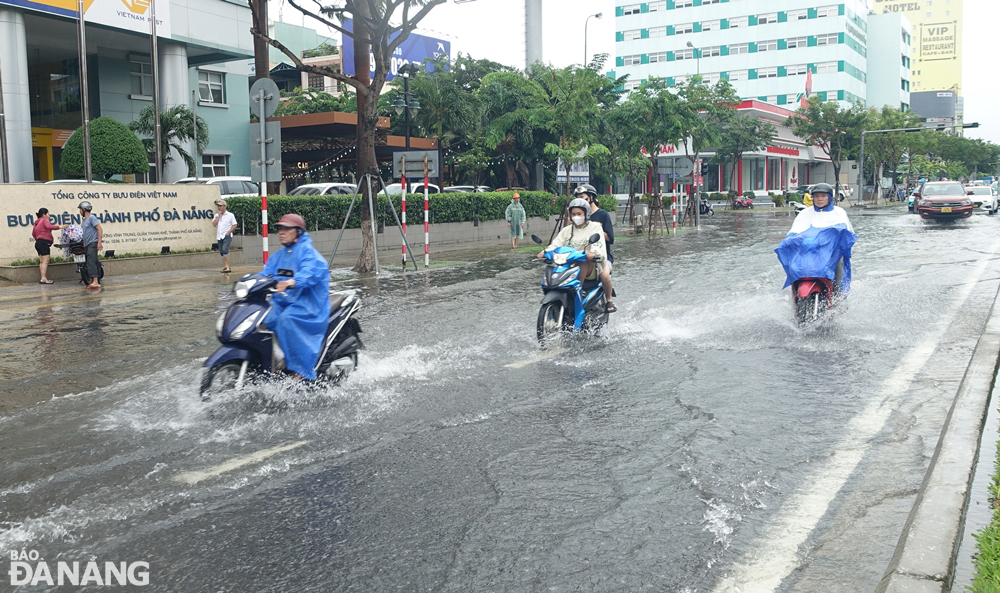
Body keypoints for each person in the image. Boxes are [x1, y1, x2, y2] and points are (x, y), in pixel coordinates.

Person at [261, 213, 331, 380]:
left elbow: (311, 271)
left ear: (298, 231)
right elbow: (265, 274)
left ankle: (301, 369)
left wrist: (292, 282)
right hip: (285, 301)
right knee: (263, 319)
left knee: (287, 320)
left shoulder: (309, 253)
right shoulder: (279, 255)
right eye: (279, 229)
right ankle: (277, 357)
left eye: (286, 229)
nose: (281, 232)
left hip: (309, 303)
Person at [780, 183, 856, 296]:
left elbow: (846, 232)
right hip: (809, 251)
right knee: (794, 264)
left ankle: (837, 293)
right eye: (816, 196)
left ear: (829, 197)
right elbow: (795, 231)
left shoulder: (839, 212)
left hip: (831, 252)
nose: (819, 199)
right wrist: (789, 241)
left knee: (838, 262)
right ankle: (795, 293)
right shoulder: (805, 213)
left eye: (823, 196)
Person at [537, 198, 608, 303]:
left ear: (586, 213)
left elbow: (598, 244)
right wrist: (546, 252)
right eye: (573, 214)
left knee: (582, 261)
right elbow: (556, 243)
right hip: (568, 265)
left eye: (579, 213)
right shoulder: (566, 230)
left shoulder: (595, 227)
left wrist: (593, 253)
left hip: (590, 265)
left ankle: (579, 289)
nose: (576, 216)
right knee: (553, 268)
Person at [576, 184, 617, 313]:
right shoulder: (578, 216)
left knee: (604, 275)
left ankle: (609, 299)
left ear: (591, 197)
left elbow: (611, 239)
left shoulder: (603, 215)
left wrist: (597, 229)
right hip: (581, 255)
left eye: (583, 198)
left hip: (600, 256)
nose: (580, 202)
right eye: (578, 199)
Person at [31, 208, 68, 284]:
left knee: (42, 261)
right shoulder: (44, 220)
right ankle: (44, 278)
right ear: (44, 214)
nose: (49, 216)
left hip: (38, 243)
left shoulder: (36, 223)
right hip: (44, 243)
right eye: (48, 214)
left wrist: (38, 238)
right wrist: (61, 227)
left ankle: (42, 278)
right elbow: (49, 227)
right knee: (45, 261)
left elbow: (33, 234)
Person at [78, 201, 103, 289]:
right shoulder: (84, 221)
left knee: (91, 261)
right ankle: (96, 279)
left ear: (84, 209)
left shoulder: (92, 218)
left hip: (93, 242)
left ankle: (95, 281)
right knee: (93, 260)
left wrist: (99, 242)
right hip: (87, 244)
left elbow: (99, 229)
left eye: (80, 209)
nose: (79, 211)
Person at [212, 199, 238, 273]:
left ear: (224, 206)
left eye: (220, 206)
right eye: (218, 206)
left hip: (227, 235)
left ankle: (227, 267)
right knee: (221, 251)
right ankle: (226, 266)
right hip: (219, 235)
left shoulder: (230, 215)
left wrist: (228, 232)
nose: (219, 207)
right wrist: (219, 216)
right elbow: (214, 224)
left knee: (224, 249)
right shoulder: (217, 215)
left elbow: (234, 225)